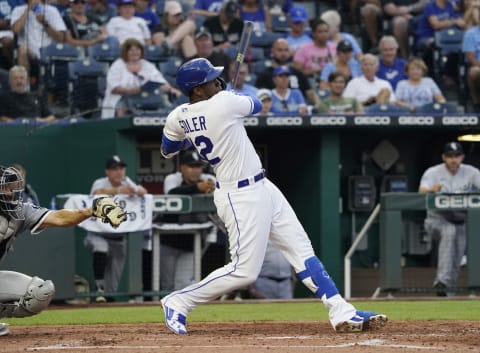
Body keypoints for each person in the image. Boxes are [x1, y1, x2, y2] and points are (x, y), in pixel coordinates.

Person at [159, 57, 387, 335]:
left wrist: (198, 126)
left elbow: (168, 148)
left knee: (302, 251)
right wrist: (228, 97)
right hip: (239, 194)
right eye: (210, 80)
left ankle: (341, 311)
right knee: (244, 271)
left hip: (262, 186)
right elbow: (256, 104)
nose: (218, 81)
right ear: (196, 89)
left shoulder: (178, 115)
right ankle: (179, 300)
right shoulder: (225, 102)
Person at [0, 165, 126, 336]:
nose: (10, 192)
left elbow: (59, 217)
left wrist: (92, 210)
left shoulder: (21, 211)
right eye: (4, 188)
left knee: (40, 292)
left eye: (11, 187)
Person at [418, 142, 480, 296]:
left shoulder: (472, 172)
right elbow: (421, 191)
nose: (454, 159)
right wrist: (433, 190)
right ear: (444, 157)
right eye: (450, 156)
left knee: (458, 254)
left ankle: (446, 293)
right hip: (436, 219)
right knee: (449, 231)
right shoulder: (433, 172)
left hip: (461, 221)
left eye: (457, 156)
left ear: (462, 157)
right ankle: (443, 281)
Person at [84, 155, 147, 302]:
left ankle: (106, 300)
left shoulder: (127, 181)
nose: (119, 172)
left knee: (112, 287)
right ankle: (99, 287)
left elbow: (143, 191)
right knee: (101, 247)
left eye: (121, 168)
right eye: (114, 169)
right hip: (97, 234)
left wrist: (135, 190)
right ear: (107, 171)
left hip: (118, 239)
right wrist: (119, 191)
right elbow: (97, 194)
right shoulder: (100, 182)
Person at [160, 149, 216, 291]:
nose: (195, 170)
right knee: (167, 285)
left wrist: (209, 189)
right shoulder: (173, 179)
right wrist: (197, 188)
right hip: (169, 241)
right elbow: (171, 194)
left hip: (192, 243)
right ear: (182, 168)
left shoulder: (208, 180)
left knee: (185, 285)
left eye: (198, 166)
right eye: (191, 166)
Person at [101, 38, 181, 118]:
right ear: (125, 52)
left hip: (147, 99)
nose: (135, 52)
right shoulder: (117, 65)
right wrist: (132, 91)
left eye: (137, 49)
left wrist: (171, 89)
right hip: (122, 99)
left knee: (166, 102)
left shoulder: (147, 65)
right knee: (122, 103)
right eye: (131, 50)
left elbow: (161, 82)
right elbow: (114, 88)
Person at [10, 0, 67, 78]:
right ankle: (25, 86)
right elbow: (15, 30)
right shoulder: (18, 10)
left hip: (48, 53)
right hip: (30, 53)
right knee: (23, 49)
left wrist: (45, 23)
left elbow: (60, 38)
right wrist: (27, 11)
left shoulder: (52, 10)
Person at [255, 38, 318, 106]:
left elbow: (309, 93)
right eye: (280, 50)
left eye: (286, 50)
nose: (283, 53)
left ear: (290, 52)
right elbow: (261, 97)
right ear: (272, 51)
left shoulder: (298, 73)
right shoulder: (265, 75)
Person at [461, 7, 480, 112]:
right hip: (477, 66)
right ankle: (476, 102)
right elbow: (471, 58)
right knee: (474, 72)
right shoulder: (470, 34)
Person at [0, 0, 21, 69]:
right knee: (7, 42)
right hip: (3, 31)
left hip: (20, 28)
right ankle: (14, 69)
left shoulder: (19, 1)